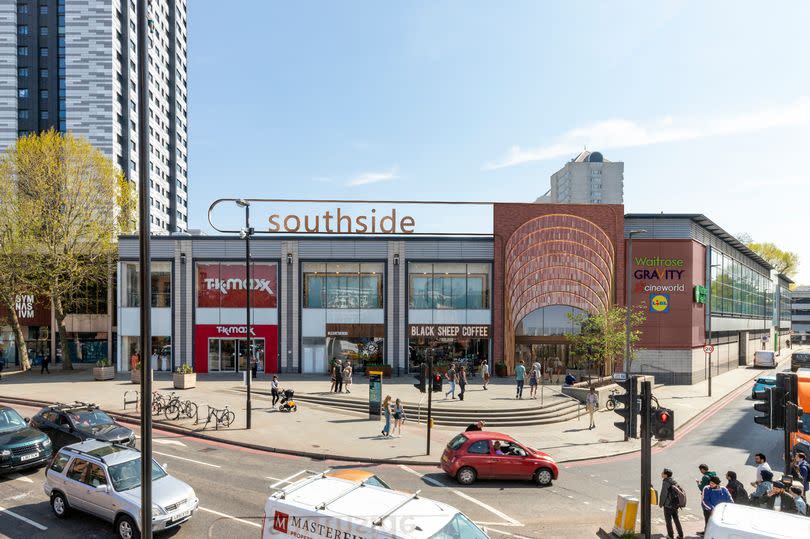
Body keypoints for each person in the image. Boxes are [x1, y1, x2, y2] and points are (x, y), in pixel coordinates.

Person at [659, 468, 684, 539]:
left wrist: (661, 503)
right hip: (675, 504)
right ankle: (681, 535)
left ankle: (670, 535)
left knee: (668, 521)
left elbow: (663, 494)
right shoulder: (674, 481)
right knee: (676, 520)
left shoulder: (665, 482)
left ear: (666, 475)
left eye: (662, 473)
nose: (661, 474)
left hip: (668, 505)